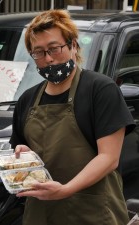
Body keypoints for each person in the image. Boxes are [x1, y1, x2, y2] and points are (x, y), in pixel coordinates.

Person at [10, 9, 135, 225]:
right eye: (38, 52)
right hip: (41, 213)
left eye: (54, 48)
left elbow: (109, 158)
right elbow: (23, 151)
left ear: (73, 45)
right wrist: (22, 154)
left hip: (92, 212)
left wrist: (66, 190)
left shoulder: (100, 90)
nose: (48, 58)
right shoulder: (27, 100)